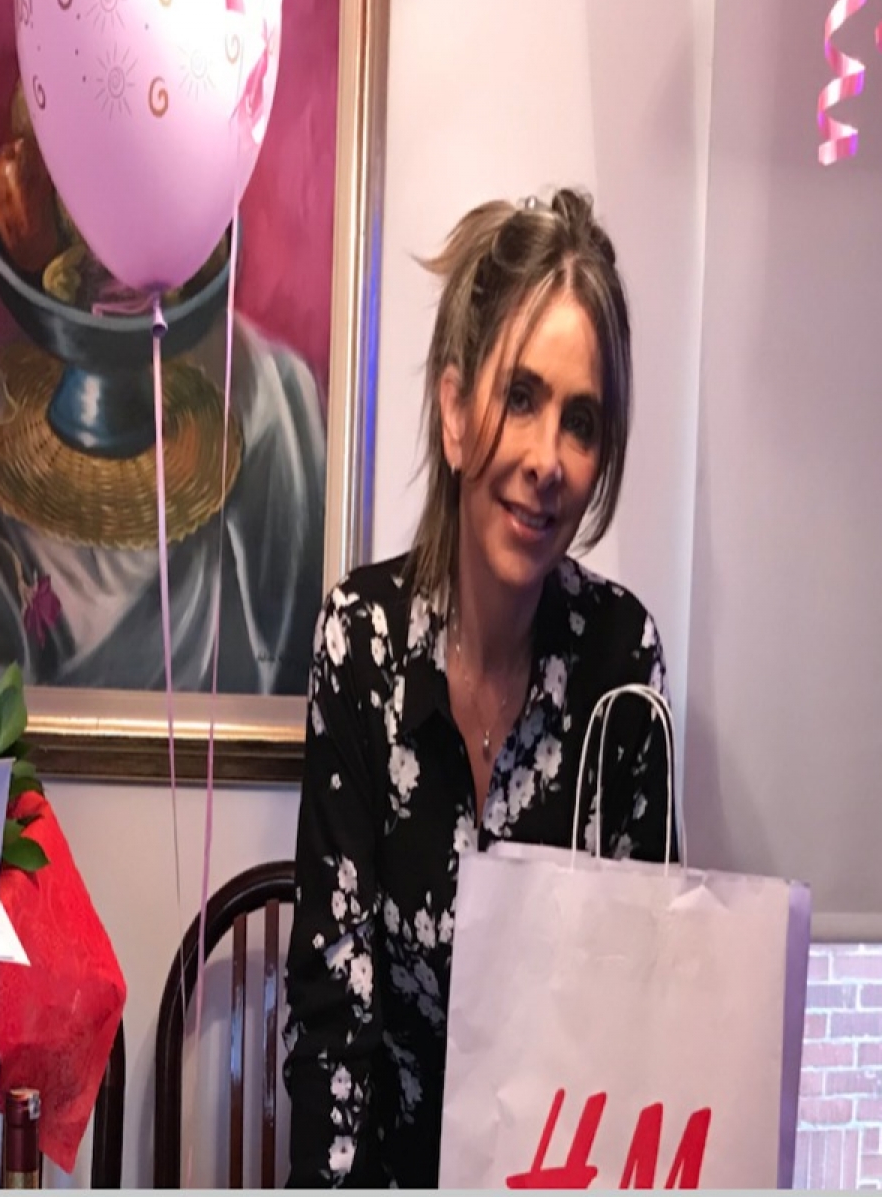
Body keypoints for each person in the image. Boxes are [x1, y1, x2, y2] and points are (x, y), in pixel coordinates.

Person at [282, 189, 673, 1188]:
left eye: (581, 421)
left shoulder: (622, 662)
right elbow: (333, 1017)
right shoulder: (360, 642)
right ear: (456, 414)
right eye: (521, 397)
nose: (547, 460)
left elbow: (646, 1013)